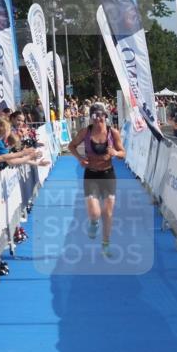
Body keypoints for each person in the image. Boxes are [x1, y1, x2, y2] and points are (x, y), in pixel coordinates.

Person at [66, 102, 126, 256]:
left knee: (108, 213)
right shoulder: (85, 132)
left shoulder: (113, 133)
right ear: (91, 118)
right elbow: (71, 146)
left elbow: (123, 153)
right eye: (94, 115)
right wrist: (80, 158)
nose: (98, 119)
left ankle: (106, 244)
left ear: (106, 116)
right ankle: (93, 222)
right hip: (91, 175)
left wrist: (115, 153)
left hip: (108, 174)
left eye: (101, 115)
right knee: (95, 213)